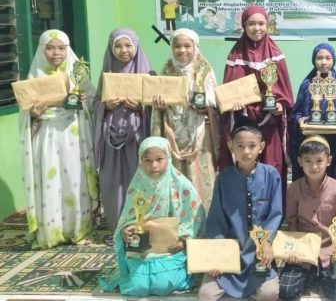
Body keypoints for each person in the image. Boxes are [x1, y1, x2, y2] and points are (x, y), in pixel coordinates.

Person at [19, 29, 98, 249]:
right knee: (49, 179)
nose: (56, 53)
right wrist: (33, 113)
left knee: (75, 179)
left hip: (73, 135)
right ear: (42, 50)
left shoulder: (77, 75)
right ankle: (51, 232)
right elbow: (25, 114)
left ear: (67, 49)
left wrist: (83, 101)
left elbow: (93, 102)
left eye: (61, 48)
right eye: (50, 48)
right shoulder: (35, 78)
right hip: (47, 136)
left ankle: (78, 229)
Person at [99, 137, 206, 296]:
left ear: (168, 158)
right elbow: (127, 220)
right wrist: (127, 232)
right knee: (137, 287)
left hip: (172, 250)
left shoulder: (182, 186)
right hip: (142, 251)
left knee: (164, 285)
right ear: (140, 161)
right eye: (147, 160)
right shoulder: (137, 186)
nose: (153, 165)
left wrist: (183, 241)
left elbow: (195, 219)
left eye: (159, 159)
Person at [199, 123, 282, 301]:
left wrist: (267, 242)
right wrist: (218, 254)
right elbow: (216, 220)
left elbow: (275, 215)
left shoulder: (271, 175)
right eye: (240, 146)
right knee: (207, 294)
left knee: (268, 293)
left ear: (261, 147)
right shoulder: (223, 179)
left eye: (252, 146)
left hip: (259, 254)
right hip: (230, 253)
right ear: (231, 147)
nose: (246, 151)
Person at [219, 5, 294, 189]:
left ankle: (274, 213)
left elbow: (285, 93)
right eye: (251, 23)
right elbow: (228, 91)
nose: (257, 28)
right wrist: (232, 105)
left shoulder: (276, 55)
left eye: (261, 23)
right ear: (244, 25)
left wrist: (280, 106)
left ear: (267, 25)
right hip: (243, 124)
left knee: (272, 167)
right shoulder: (235, 55)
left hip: (271, 127)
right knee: (244, 166)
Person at [151, 28, 218, 211]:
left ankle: (204, 220)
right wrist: (161, 106)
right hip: (173, 133)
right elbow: (159, 108)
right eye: (177, 46)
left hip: (200, 136)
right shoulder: (166, 71)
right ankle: (179, 222)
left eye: (187, 46)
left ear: (195, 47)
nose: (182, 50)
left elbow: (216, 100)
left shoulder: (204, 70)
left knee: (203, 177)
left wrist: (209, 107)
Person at [94, 28, 154, 231]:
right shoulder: (107, 74)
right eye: (118, 46)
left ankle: (140, 224)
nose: (123, 50)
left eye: (128, 45)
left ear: (136, 46)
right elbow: (95, 104)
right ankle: (118, 226)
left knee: (139, 177)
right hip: (111, 137)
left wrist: (140, 106)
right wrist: (106, 106)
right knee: (112, 180)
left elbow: (158, 106)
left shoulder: (148, 74)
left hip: (139, 135)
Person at [280, 135, 336, 301]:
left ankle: (319, 273)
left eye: (319, 160)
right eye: (308, 161)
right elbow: (291, 221)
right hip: (303, 247)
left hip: (331, 247)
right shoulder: (293, 189)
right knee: (287, 291)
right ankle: (313, 272)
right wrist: (293, 249)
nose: (314, 166)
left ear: (328, 161)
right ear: (299, 161)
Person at [290, 43, 336, 188]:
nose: (324, 62)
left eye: (328, 58)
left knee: (335, 181)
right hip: (310, 141)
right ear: (314, 60)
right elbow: (296, 113)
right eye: (319, 58)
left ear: (333, 60)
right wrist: (300, 119)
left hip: (335, 143)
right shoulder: (307, 84)